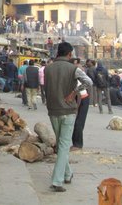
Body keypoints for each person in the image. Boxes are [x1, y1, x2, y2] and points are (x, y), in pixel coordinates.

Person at [44, 42, 92, 192]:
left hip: (53, 110)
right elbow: (88, 82)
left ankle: (67, 173)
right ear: (70, 54)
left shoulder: (48, 68)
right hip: (68, 111)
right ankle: (57, 181)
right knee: (64, 146)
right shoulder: (73, 69)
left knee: (61, 145)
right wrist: (74, 92)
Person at [71, 59, 91, 151]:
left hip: (82, 99)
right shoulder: (73, 73)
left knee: (79, 123)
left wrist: (77, 107)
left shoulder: (75, 74)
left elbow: (79, 94)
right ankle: (76, 143)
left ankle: (78, 144)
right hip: (81, 99)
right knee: (77, 122)